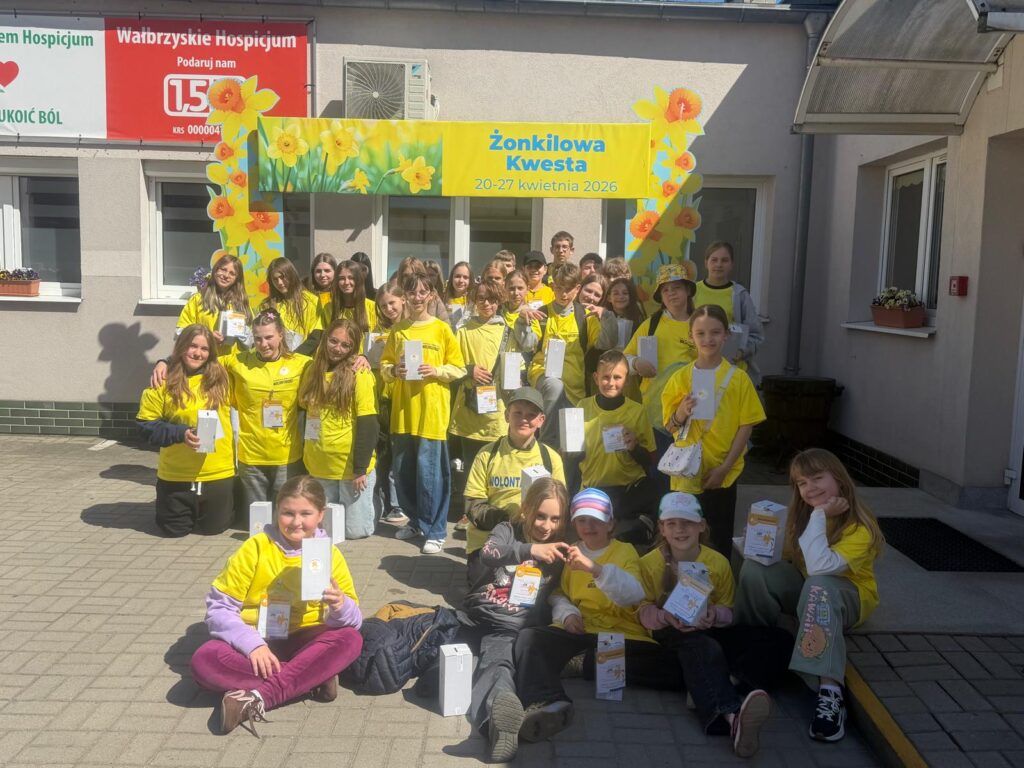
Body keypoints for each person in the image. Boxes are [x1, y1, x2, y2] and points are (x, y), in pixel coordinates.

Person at [190, 476, 363, 736]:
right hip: (256, 640)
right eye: (288, 513)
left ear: (320, 515)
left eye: (306, 513)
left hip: (306, 639)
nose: (296, 522)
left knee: (350, 639)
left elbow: (354, 620)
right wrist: (253, 645)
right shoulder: (255, 548)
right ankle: (310, 676)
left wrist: (340, 605)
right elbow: (219, 609)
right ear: (277, 511)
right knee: (205, 661)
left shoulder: (330, 554)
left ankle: (259, 697)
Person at [734, 449, 884, 743]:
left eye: (817, 478)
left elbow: (819, 568)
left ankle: (830, 691)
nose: (810, 488)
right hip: (809, 589)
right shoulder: (801, 518)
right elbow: (785, 556)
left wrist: (819, 515)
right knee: (755, 570)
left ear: (839, 479)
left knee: (820, 585)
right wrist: (757, 538)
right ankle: (751, 652)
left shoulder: (860, 527)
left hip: (848, 598)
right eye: (802, 483)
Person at [512, 489, 680, 742]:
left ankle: (583, 663)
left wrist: (595, 569)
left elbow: (634, 594)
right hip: (582, 631)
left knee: (671, 666)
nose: (589, 526)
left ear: (610, 523)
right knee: (528, 638)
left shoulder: (625, 551)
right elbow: (559, 593)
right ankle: (547, 702)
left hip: (623, 635)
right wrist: (568, 614)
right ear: (574, 524)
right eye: (582, 520)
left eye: (596, 520)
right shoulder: (570, 552)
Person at [637, 493, 773, 758]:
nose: (680, 530)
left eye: (687, 522)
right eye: (672, 523)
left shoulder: (718, 562)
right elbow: (641, 612)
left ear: (701, 526)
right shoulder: (648, 564)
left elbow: (729, 611)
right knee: (703, 647)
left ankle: (720, 681)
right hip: (672, 634)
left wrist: (713, 614)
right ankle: (732, 717)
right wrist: (666, 617)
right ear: (662, 528)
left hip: (709, 628)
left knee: (777, 640)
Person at [151, 311, 313, 515]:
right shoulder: (237, 361)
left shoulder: (302, 363)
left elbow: (329, 365)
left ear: (281, 334)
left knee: (285, 514)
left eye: (269, 337)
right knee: (255, 520)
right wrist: (165, 361)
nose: (263, 344)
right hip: (250, 456)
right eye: (258, 338)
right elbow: (199, 359)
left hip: (287, 455)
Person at [464, 477, 570, 762]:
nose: (546, 526)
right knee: (497, 664)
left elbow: (562, 591)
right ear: (526, 509)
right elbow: (488, 554)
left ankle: (527, 712)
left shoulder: (562, 547)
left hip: (521, 627)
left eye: (555, 519)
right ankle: (500, 719)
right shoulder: (507, 530)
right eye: (540, 516)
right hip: (489, 618)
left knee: (512, 662)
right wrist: (529, 550)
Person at [660, 304, 765, 556]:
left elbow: (746, 427)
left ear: (726, 335)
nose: (708, 339)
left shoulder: (739, 379)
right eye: (701, 333)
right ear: (691, 336)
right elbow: (670, 426)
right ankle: (681, 580)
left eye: (715, 332)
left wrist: (725, 468)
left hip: (722, 473)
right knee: (683, 538)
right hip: (685, 473)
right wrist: (681, 412)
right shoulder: (679, 378)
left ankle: (719, 580)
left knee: (718, 538)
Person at [380, 271, 466, 555]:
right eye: (412, 292)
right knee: (404, 473)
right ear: (404, 296)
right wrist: (395, 370)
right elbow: (385, 367)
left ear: (431, 295)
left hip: (431, 413)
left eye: (422, 292)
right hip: (404, 413)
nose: (417, 297)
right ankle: (416, 521)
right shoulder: (399, 330)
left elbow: (459, 368)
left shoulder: (442, 329)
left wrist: (436, 370)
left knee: (431, 476)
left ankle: (436, 530)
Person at [137, 325, 234, 537]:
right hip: (176, 475)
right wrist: (180, 434)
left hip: (218, 473)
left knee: (214, 530)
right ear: (181, 346)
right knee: (173, 531)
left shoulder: (225, 376)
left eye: (204, 349)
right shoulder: (162, 381)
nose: (198, 353)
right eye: (192, 346)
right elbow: (146, 427)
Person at [463, 386, 566, 584]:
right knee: (490, 590)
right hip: (490, 540)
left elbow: (559, 505)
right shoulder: (487, 454)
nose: (524, 419)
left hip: (535, 539)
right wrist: (511, 519)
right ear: (506, 415)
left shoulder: (551, 458)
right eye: (517, 413)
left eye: (531, 415)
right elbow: (473, 506)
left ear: (541, 420)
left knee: (535, 590)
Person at [298, 319, 380, 539]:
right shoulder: (311, 370)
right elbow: (303, 409)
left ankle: (374, 503)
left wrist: (360, 468)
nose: (337, 348)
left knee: (355, 532)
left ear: (353, 348)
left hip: (350, 467)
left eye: (345, 345)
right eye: (333, 341)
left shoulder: (359, 373)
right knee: (327, 529)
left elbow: (368, 422)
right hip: (320, 464)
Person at [577, 351, 658, 546]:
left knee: (624, 542)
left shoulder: (637, 411)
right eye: (605, 377)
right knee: (595, 545)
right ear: (596, 378)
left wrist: (634, 447)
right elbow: (574, 457)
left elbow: (652, 460)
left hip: (628, 492)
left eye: (617, 377)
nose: (611, 383)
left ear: (627, 380)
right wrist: (570, 453)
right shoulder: (582, 407)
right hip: (593, 490)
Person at [526, 263, 600, 442]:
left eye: (568, 289)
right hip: (543, 376)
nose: (563, 294)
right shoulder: (542, 313)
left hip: (575, 389)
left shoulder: (585, 316)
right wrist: (522, 322)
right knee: (554, 386)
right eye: (559, 288)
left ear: (578, 288)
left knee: (572, 445)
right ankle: (547, 443)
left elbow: (605, 343)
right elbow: (529, 344)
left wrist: (607, 316)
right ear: (552, 286)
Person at [693, 242, 765, 383]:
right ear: (706, 263)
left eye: (724, 260)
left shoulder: (740, 295)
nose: (719, 264)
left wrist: (742, 351)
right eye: (714, 260)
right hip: (699, 368)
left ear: (731, 264)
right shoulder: (693, 292)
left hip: (731, 370)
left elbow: (756, 334)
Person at [623, 263, 697, 396]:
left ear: (688, 290)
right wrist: (636, 363)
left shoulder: (700, 325)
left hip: (688, 401)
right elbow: (623, 359)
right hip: (652, 402)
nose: (671, 293)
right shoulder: (651, 324)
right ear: (661, 297)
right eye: (665, 290)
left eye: (677, 287)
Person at [372, 280, 408, 525]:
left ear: (403, 299)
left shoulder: (411, 328)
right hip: (384, 397)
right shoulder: (377, 332)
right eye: (384, 306)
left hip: (405, 398)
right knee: (385, 453)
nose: (389, 309)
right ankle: (387, 502)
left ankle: (399, 504)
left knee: (401, 453)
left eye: (392, 303)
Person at [177, 252, 253, 359]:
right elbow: (180, 332)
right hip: (204, 360)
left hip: (233, 363)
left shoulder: (241, 304)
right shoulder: (198, 299)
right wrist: (206, 336)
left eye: (232, 273)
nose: (226, 275)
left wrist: (241, 331)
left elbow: (253, 341)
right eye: (223, 269)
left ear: (237, 279)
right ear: (216, 270)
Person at [260, 257, 323, 355]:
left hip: (303, 359)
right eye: (275, 279)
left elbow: (315, 337)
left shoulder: (312, 301)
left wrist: (294, 357)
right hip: (276, 359)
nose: (279, 283)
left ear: (291, 275)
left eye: (282, 277)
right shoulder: (266, 305)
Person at [325, 259, 377, 356]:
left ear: (358, 280)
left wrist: (365, 357)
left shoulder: (372, 307)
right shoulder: (328, 308)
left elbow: (378, 340)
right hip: (336, 359)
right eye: (342, 278)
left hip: (363, 361)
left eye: (351, 278)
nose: (346, 282)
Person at [443, 261, 474, 331]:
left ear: (470, 280)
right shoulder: (443, 299)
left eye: (465, 277)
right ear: (451, 278)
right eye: (457, 276)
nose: (461, 280)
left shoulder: (474, 302)